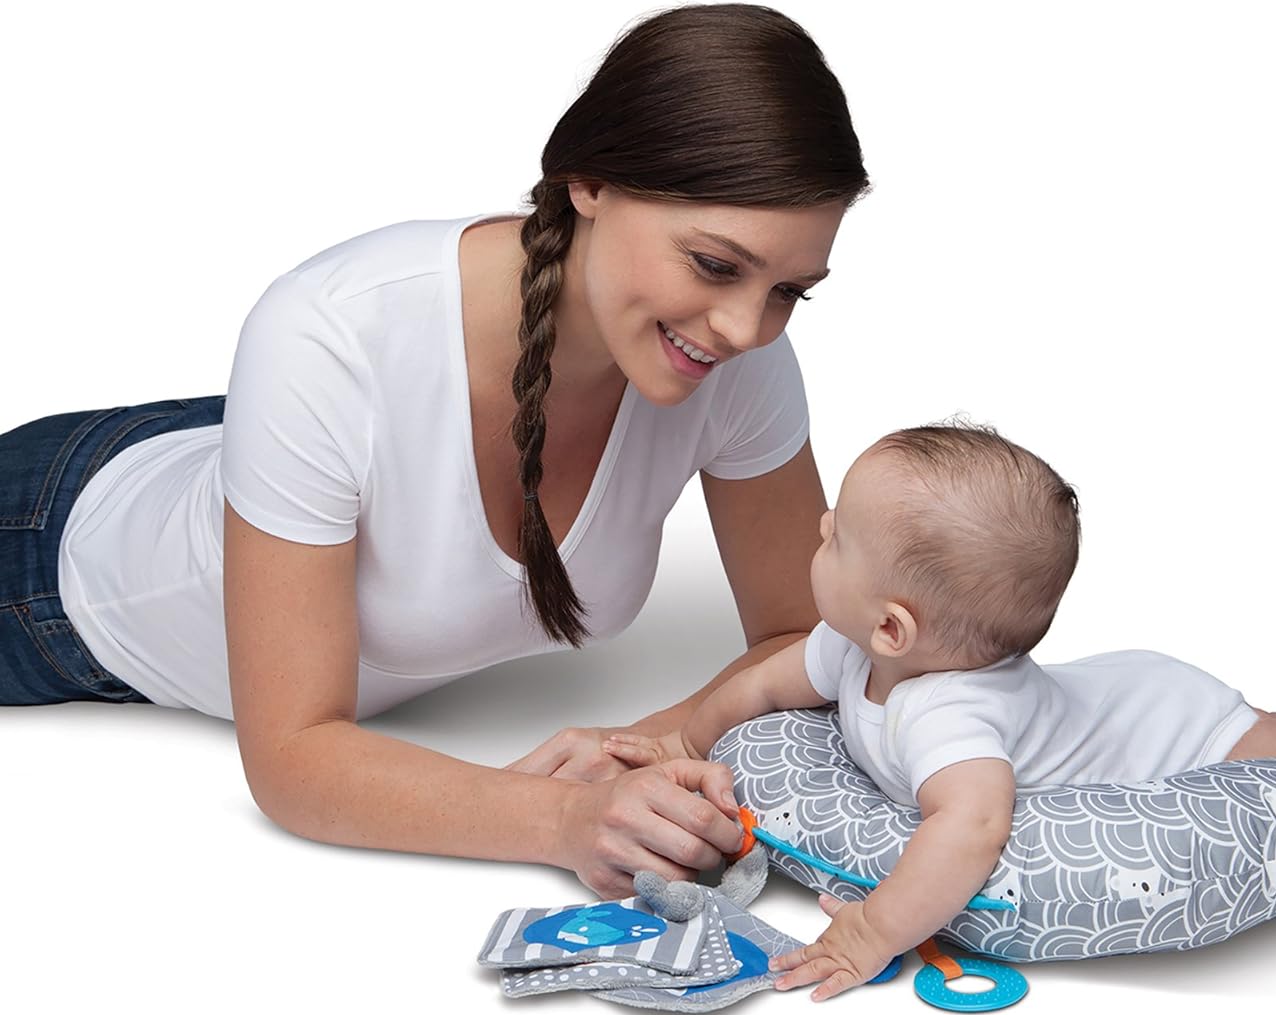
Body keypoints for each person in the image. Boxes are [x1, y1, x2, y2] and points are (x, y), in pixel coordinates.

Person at [0, 4, 870, 900]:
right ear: (589, 183)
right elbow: (293, 755)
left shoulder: (732, 360)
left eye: (790, 290)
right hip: (49, 561)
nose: (745, 327)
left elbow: (807, 635)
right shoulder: (331, 335)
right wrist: (566, 818)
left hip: (279, 428)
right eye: (716, 265)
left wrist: (655, 745)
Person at [604, 421, 1276, 1001]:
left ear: (893, 625)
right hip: (1108, 689)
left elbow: (971, 830)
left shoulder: (949, 717)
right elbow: (760, 689)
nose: (822, 526)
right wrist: (682, 739)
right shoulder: (851, 645)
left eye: (837, 537)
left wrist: (874, 929)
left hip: (1179, 725)